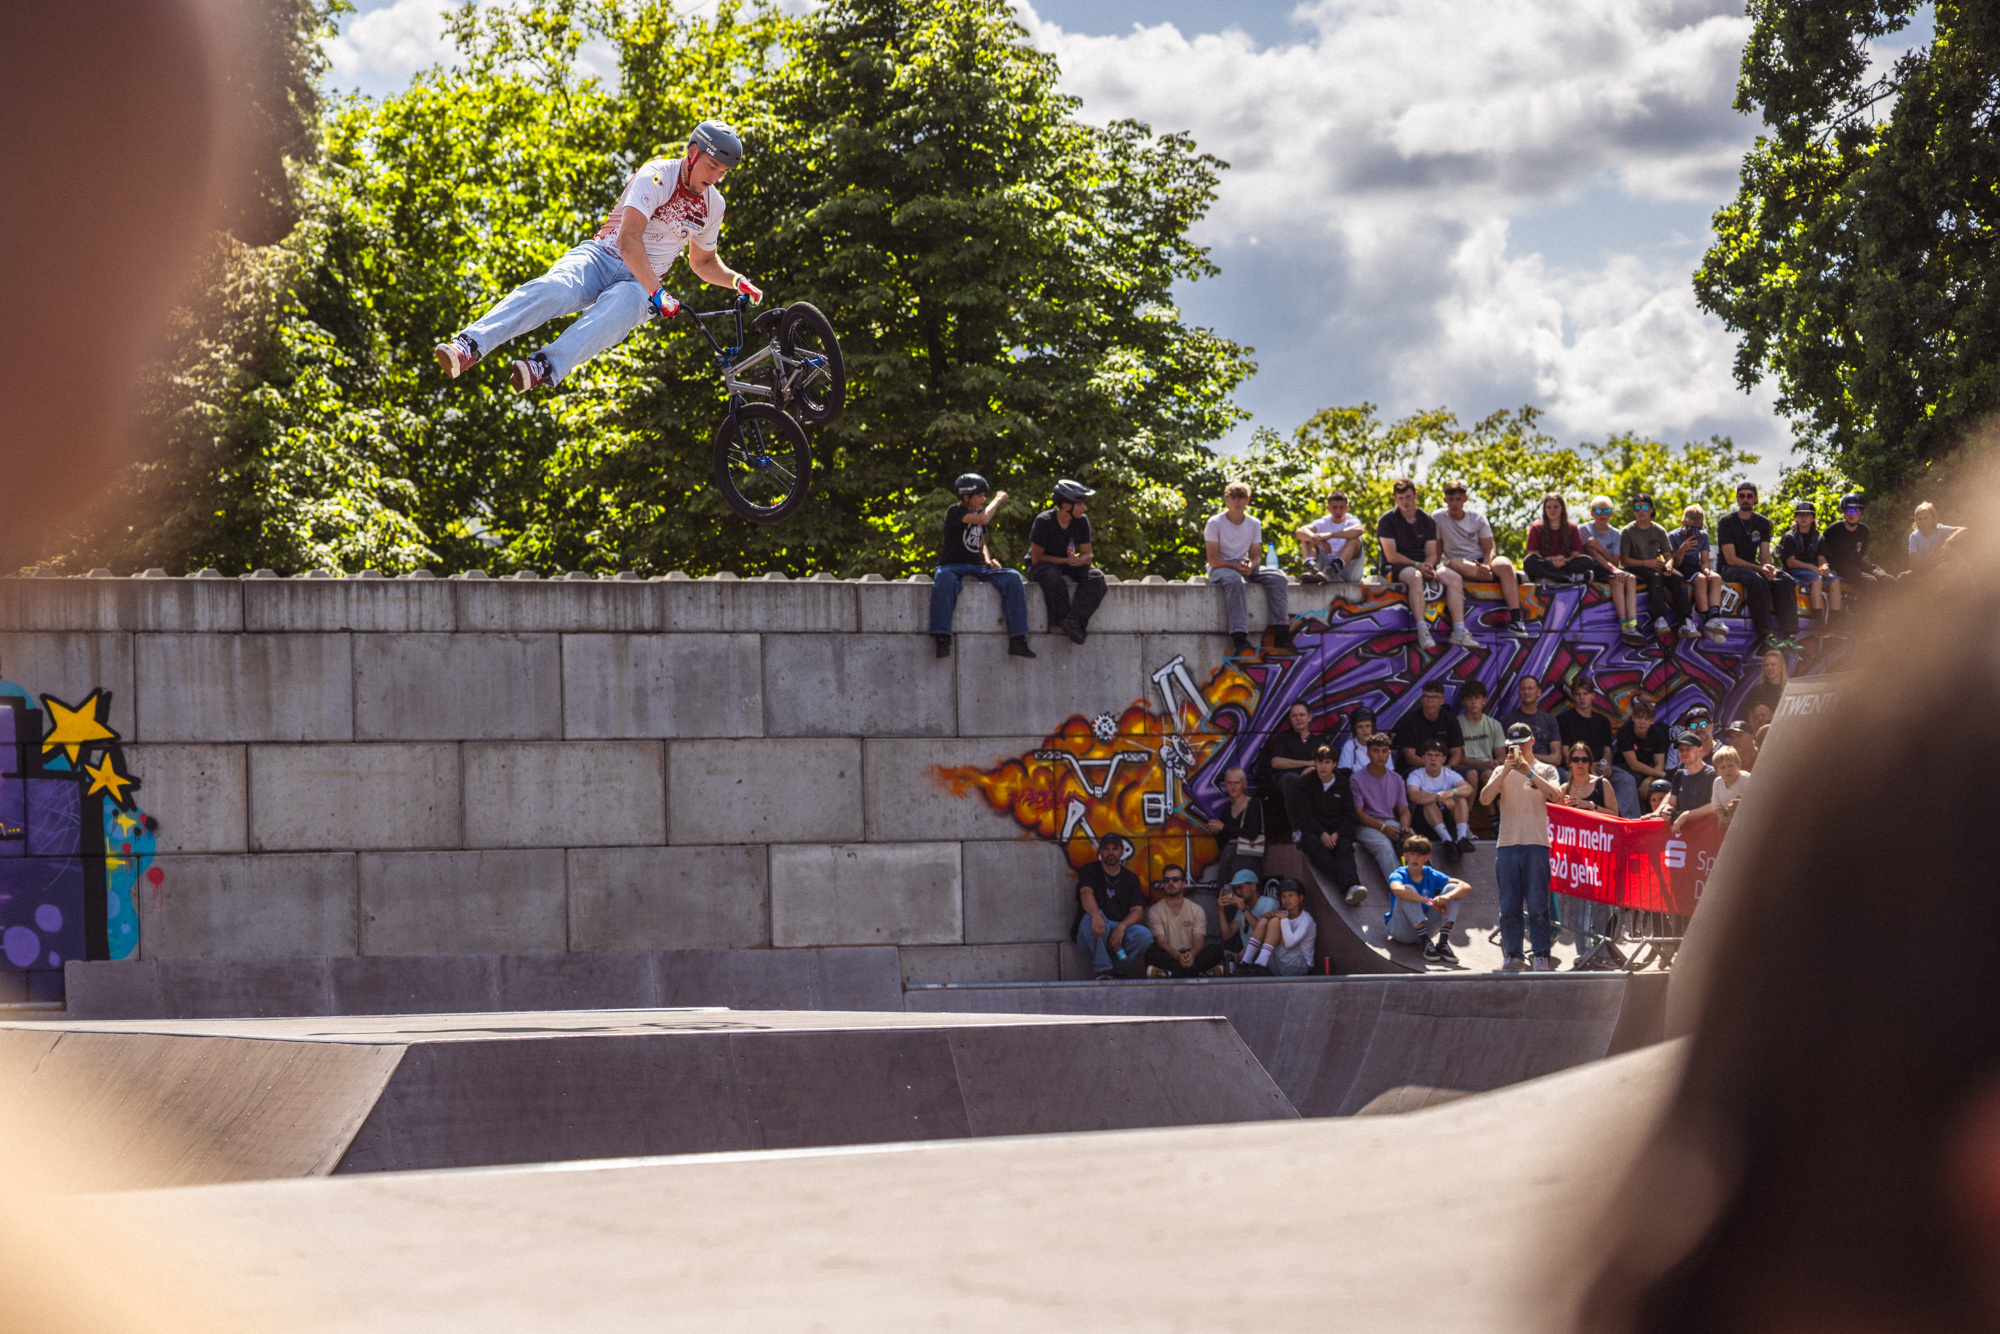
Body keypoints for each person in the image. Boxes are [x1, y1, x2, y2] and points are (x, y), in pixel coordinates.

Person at [435, 121, 762, 394]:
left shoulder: (713, 206)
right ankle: (469, 345)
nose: (715, 177)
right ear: (692, 153)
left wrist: (736, 281)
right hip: (602, 256)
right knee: (556, 289)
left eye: (723, 173)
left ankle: (543, 365)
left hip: (639, 284)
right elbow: (628, 240)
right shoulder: (657, 175)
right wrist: (659, 293)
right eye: (712, 166)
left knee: (621, 310)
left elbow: (702, 262)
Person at [1481, 722, 1565, 972]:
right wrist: (1505, 770)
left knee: (1538, 905)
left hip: (1536, 844)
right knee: (1509, 906)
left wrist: (1529, 773)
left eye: (1522, 744)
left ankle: (1541, 954)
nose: (1517, 749)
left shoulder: (1546, 769)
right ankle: (1513, 954)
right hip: (1507, 844)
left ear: (1532, 742)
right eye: (1512, 746)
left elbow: (1557, 796)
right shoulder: (1501, 770)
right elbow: (1484, 799)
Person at [929, 474, 1034, 659]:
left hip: (976, 566)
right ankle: (942, 637)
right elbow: (984, 519)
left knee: (1013, 577)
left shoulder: (977, 513)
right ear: (966, 497)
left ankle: (1018, 639)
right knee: (943, 578)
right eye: (980, 495)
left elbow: (981, 541)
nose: (984, 499)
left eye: (985, 496)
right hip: (952, 566)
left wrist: (987, 559)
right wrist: (998, 499)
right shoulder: (955, 512)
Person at [1378, 477, 1477, 652]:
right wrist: (1418, 566)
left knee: (1454, 578)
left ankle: (1459, 631)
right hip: (1397, 566)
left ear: (1416, 495)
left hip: (1423, 564)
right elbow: (1391, 556)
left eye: (1408, 497)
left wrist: (1429, 567)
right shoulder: (1387, 520)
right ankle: (1422, 630)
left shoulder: (1427, 520)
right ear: (1395, 499)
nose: (1405, 502)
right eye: (1400, 498)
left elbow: (1432, 552)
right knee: (1415, 576)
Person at [1205, 482, 1295, 653]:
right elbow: (1213, 559)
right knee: (1235, 580)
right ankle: (1239, 637)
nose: (1237, 502)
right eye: (1233, 498)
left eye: (1241, 498)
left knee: (1278, 577)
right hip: (1221, 567)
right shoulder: (1215, 523)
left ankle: (1281, 632)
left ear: (1247, 500)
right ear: (1227, 500)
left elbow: (1256, 556)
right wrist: (1235, 566)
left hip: (1242, 565)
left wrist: (1250, 565)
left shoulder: (1254, 523)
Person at [1718, 481, 1802, 652]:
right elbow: (1731, 558)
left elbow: (1764, 554)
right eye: (1742, 496)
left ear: (1755, 499)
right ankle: (1766, 635)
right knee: (1757, 581)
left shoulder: (1762, 522)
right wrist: (1759, 569)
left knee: (1784, 579)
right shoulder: (1726, 521)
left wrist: (1769, 569)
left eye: (1749, 496)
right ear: (1737, 498)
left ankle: (1789, 635)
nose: (1746, 499)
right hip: (1729, 568)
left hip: (1752, 566)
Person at [1433, 479, 1527, 632]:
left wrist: (1486, 565)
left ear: (1465, 499)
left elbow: (1490, 548)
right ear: (1445, 500)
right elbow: (1437, 549)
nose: (1455, 503)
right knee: (1452, 564)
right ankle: (1510, 578)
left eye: (1458, 499)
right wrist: (1433, 569)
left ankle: (1516, 620)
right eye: (1451, 499)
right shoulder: (1438, 517)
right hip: (1460, 565)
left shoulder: (1477, 518)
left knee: (1505, 564)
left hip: (1483, 562)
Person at [1025, 479, 1105, 644]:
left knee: (1096, 577)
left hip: (1067, 563)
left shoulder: (1082, 521)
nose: (1084, 508)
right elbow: (1036, 558)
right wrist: (1065, 561)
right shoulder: (1044, 521)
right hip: (1043, 565)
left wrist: (1079, 560)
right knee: (1052, 577)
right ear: (1066, 505)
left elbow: (1088, 555)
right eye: (1080, 504)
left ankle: (1074, 621)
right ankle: (1059, 619)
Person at [1285, 746, 1366, 906]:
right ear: (1315, 763)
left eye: (1327, 762)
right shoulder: (1305, 783)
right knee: (1312, 845)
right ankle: (1349, 886)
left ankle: (1352, 887)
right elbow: (1304, 816)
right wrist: (1321, 833)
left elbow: (1349, 815)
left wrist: (1336, 834)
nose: (1323, 766)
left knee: (1345, 848)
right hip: (1314, 831)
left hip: (1337, 831)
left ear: (1334, 764)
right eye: (1319, 762)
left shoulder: (1343, 784)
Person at [1073, 834, 1154, 980]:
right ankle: (1103, 970)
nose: (1110, 852)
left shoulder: (1130, 878)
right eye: (1106, 849)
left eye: (1115, 849)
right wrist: (1096, 915)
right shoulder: (1089, 870)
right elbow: (1085, 893)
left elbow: (1137, 911)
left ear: (1122, 851)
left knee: (1144, 935)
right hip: (1090, 935)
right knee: (1093, 918)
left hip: (1117, 935)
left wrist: (1121, 927)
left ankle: (1118, 970)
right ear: (1100, 852)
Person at [1620, 493, 1698, 639]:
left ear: (1651, 510)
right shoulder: (1627, 531)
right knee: (1656, 577)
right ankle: (1659, 620)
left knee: (1677, 577)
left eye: (1644, 507)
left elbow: (1668, 556)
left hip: (1655, 566)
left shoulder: (1659, 530)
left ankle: (1685, 622)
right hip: (1636, 568)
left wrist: (1669, 565)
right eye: (1637, 508)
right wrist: (1645, 563)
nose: (1640, 511)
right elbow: (1624, 561)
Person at [1383, 836, 1471, 964]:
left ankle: (1442, 943)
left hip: (1426, 927)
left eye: (1420, 855)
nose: (1415, 858)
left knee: (1452, 888)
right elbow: (1397, 890)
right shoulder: (1399, 874)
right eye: (1412, 854)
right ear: (1405, 856)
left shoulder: (1431, 873)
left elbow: (1465, 886)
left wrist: (1445, 897)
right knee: (1407, 889)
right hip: (1402, 930)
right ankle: (1425, 942)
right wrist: (1428, 901)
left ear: (1426, 857)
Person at [1350, 734, 1412, 887]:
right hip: (1366, 826)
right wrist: (1383, 828)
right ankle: (1400, 890)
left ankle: (1425, 887)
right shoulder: (1356, 779)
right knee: (1384, 847)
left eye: (1384, 751)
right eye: (1375, 751)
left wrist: (1405, 827)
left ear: (1389, 754)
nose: (1380, 755)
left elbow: (1404, 809)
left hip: (1392, 822)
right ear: (1368, 753)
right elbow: (1358, 814)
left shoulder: (1397, 779)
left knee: (1415, 843)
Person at [1582, 494, 1645, 641]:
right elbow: (1593, 555)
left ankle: (1633, 624)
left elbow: (1615, 562)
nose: (1602, 515)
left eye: (1606, 511)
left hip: (1609, 567)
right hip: (1593, 568)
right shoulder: (1585, 530)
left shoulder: (1616, 534)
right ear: (1592, 513)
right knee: (1618, 580)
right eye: (1598, 511)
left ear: (1611, 513)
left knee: (1631, 579)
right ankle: (1624, 625)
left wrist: (1600, 548)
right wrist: (1613, 570)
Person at [1144, 865, 1224, 977]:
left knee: (1216, 950)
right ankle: (1199, 973)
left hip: (1191, 954)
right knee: (1151, 954)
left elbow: (1199, 940)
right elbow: (1161, 942)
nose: (1170, 883)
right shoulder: (1154, 911)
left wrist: (1192, 955)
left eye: (1175, 879)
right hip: (1170, 955)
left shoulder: (1196, 909)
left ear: (1183, 884)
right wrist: (1178, 956)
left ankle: (1170, 974)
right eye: (1166, 880)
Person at [1669, 504, 1731, 643]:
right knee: (1700, 579)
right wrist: (1682, 549)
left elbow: (1704, 561)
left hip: (1695, 567)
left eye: (1699, 528)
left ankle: (1714, 617)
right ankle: (1706, 618)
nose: (1695, 532)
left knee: (1715, 578)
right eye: (1691, 528)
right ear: (1683, 523)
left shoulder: (1703, 537)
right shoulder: (1673, 536)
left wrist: (1707, 570)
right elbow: (1675, 564)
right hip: (1680, 568)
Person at [1259, 701, 1318, 842]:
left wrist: (1314, 768)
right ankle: (1297, 829)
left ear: (1309, 717)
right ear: (1290, 719)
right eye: (1294, 716)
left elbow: (1327, 763)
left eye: (1302, 715)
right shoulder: (1283, 738)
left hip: (1312, 780)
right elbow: (1276, 762)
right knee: (1292, 779)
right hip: (1286, 782)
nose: (1298, 718)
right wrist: (1308, 763)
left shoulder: (1318, 741)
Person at [1777, 500, 1841, 625]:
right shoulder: (1789, 537)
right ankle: (1819, 623)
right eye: (1801, 514)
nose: (1804, 518)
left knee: (1835, 580)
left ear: (1813, 518)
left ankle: (1835, 623)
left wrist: (1825, 567)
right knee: (1817, 579)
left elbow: (1821, 558)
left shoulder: (1818, 537)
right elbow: (1791, 562)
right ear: (1796, 517)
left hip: (1813, 570)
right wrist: (1812, 568)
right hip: (1795, 572)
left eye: (1807, 515)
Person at [1406, 740, 1475, 856]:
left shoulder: (1449, 773)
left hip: (1446, 820)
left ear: (1444, 759)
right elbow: (1413, 795)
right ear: (1423, 758)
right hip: (1422, 823)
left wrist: (1451, 792)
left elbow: (1468, 788)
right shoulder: (1416, 774)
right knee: (1428, 802)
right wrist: (1438, 797)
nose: (1433, 759)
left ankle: (1462, 838)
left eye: (1437, 755)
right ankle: (1447, 841)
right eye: (1429, 755)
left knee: (1460, 797)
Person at [1238, 880, 1318, 976]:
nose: (1287, 899)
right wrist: (1265, 917)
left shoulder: (1306, 919)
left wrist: (1284, 919)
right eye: (1283, 896)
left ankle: (1260, 963)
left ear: (1300, 897)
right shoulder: (1282, 914)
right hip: (1278, 964)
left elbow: (1289, 943)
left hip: (1298, 966)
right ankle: (1246, 962)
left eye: (1291, 895)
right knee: (1265, 919)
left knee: (1275, 921)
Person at [1457, 680, 1507, 827]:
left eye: (1477, 698)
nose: (1474, 702)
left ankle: (1495, 822)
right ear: (1463, 702)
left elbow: (1501, 755)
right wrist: (1483, 763)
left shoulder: (1494, 724)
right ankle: (1465, 821)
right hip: (1464, 767)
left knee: (1488, 775)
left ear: (1484, 700)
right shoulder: (1456, 724)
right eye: (1469, 698)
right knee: (1473, 774)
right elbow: (1457, 757)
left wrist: (1497, 762)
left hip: (1487, 768)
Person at [1203, 767, 1265, 886]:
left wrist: (1224, 827)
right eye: (1229, 783)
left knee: (1242, 890)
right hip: (1227, 856)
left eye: (1237, 783)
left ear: (1244, 784)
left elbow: (1253, 833)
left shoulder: (1253, 803)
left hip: (1247, 857)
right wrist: (1216, 830)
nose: (1233, 786)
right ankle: (1228, 899)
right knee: (1226, 890)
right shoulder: (1227, 809)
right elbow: (1222, 843)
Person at [1825, 492, 1894, 596]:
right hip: (1839, 566)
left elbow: (1861, 553)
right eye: (1848, 510)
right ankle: (1866, 607)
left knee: (1889, 580)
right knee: (1870, 581)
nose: (1851, 514)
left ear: (1861, 512)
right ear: (1843, 512)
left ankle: (1891, 606)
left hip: (1857, 564)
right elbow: (1822, 554)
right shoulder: (1833, 530)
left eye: (1855, 510)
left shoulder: (1864, 530)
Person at [1610, 697, 1670, 818]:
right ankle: (1634, 819)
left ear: (1652, 721)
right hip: (1623, 768)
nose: (1642, 722)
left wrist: (1648, 780)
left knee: (1659, 783)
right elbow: (1633, 764)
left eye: (1646, 719)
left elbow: (1660, 764)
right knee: (1633, 779)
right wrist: (1661, 774)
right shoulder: (1625, 731)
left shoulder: (1657, 733)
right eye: (1638, 717)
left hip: (1647, 771)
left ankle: (1660, 817)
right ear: (1633, 718)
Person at [1295, 490, 1366, 584]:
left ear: (1347, 508)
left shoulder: (1352, 520)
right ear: (1328, 508)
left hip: (1349, 572)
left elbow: (1359, 530)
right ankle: (1311, 567)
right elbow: (1300, 531)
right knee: (1307, 538)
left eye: (1341, 507)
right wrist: (1319, 541)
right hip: (1324, 572)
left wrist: (1330, 535)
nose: (1338, 511)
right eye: (1334, 507)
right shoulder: (1324, 522)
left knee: (1354, 540)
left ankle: (1334, 567)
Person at [1525, 492, 1594, 588]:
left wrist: (1564, 560)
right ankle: (1565, 578)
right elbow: (1534, 554)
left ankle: (1559, 576)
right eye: (1548, 507)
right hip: (1546, 565)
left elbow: (1575, 554)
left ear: (1562, 508)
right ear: (1545, 509)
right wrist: (1552, 560)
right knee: (1530, 561)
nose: (1552, 510)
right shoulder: (1536, 528)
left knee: (1587, 561)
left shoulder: (1572, 528)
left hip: (1565, 565)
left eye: (1556, 507)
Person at [1393, 680, 1464, 773]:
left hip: (1446, 769)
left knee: (1470, 774)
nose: (1430, 701)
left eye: (1434, 697)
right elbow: (1410, 756)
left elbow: (1457, 753)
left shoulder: (1451, 720)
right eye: (1426, 697)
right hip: (1418, 768)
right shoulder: (1409, 721)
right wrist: (1433, 766)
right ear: (1422, 699)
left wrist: (1449, 767)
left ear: (1441, 701)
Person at [1216, 868, 1277, 965]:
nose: (1237, 893)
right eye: (1235, 889)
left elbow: (1265, 932)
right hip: (1247, 959)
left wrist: (1244, 910)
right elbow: (1227, 935)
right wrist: (1221, 910)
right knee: (1216, 953)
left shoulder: (1269, 903)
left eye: (1240, 888)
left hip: (1266, 960)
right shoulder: (1243, 908)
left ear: (1253, 886)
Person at [1559, 680, 1616, 779]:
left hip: (1600, 767)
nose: (1582, 698)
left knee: (1626, 779)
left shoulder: (1603, 721)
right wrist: (1586, 765)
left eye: (1585, 694)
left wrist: (1606, 766)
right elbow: (1565, 752)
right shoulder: (1564, 719)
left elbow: (1607, 750)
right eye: (1578, 694)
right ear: (1573, 696)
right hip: (1577, 767)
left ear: (1592, 695)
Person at [1503, 675, 1563, 766]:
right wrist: (1545, 758)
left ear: (1538, 692)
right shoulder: (1510, 721)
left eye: (1530, 688)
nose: (1526, 692)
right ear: (1519, 693)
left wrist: (1532, 757)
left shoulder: (1550, 720)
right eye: (1523, 689)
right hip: (1521, 767)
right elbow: (1514, 756)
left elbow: (1556, 758)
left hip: (1547, 767)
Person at [1660, 731, 1717, 824]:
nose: (1684, 753)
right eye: (1681, 750)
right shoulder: (1679, 775)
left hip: (1709, 830)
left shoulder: (1712, 774)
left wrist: (1687, 815)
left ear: (1699, 750)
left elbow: (1715, 806)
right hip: (1684, 830)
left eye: (1688, 749)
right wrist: (1667, 810)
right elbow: (1671, 804)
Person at [1907, 500, 1967, 574]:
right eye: (1920, 519)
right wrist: (1933, 560)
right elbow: (1913, 565)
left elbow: (1964, 530)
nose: (1923, 521)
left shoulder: (1940, 530)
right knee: (1902, 576)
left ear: (1933, 519)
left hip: (1939, 568)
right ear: (1916, 520)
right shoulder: (1914, 537)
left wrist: (1949, 541)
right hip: (1922, 569)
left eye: (1926, 518)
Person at [1742, 649, 1788, 720]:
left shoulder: (1788, 689)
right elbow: (1750, 716)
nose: (1769, 668)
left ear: (1781, 667)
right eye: (1766, 665)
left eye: (1773, 664)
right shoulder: (1758, 690)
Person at [1335, 706, 1378, 773]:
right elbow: (1343, 773)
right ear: (1354, 729)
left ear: (1373, 727)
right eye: (1360, 727)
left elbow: (1389, 772)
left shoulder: (1381, 745)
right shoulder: (1349, 746)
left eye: (1367, 726)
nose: (1364, 730)